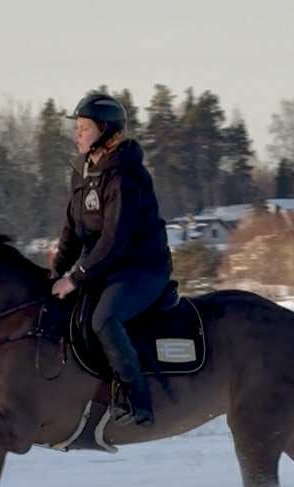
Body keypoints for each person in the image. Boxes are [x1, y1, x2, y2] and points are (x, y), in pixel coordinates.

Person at [51, 92, 172, 427]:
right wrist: (57, 273)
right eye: (76, 128)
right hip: (104, 269)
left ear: (106, 131)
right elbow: (71, 233)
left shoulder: (125, 176)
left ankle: (138, 402)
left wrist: (75, 278)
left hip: (140, 270)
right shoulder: (82, 173)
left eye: (84, 128)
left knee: (104, 319)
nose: (77, 134)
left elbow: (114, 240)